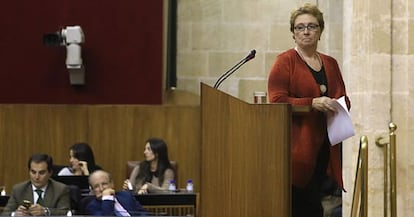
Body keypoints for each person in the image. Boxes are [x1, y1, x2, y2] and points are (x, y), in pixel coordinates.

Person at [267, 3, 350, 217]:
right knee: (302, 206)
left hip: (326, 145)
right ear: (293, 33)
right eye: (299, 27)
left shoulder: (330, 63)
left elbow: (343, 98)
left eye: (312, 26)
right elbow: (276, 100)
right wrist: (311, 103)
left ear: (320, 30)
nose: (306, 32)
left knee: (317, 205)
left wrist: (337, 104)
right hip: (297, 148)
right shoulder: (285, 61)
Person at [2, 153, 71, 216]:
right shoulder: (18, 189)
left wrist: (45, 211)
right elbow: (4, 214)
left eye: (41, 173)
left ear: (50, 173)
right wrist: (15, 214)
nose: (37, 177)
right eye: (33, 172)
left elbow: (66, 212)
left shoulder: (60, 189)